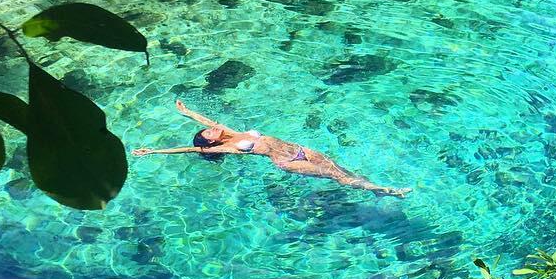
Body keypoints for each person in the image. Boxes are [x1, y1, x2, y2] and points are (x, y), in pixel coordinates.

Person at [132, 100, 410, 198]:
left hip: (299, 148)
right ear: (212, 143)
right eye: (209, 134)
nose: (213, 129)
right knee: (338, 177)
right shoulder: (229, 146)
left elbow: (207, 120)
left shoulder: (230, 132)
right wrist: (154, 152)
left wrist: (187, 112)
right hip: (287, 161)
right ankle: (386, 190)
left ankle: (370, 188)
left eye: (210, 129)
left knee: (341, 170)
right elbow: (189, 150)